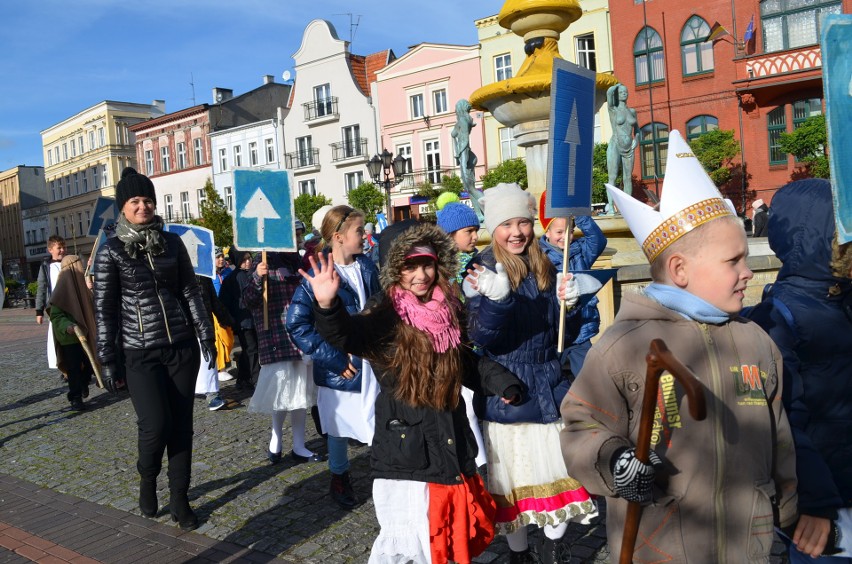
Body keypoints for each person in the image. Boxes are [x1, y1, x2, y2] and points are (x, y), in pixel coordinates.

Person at [560, 131, 798, 562]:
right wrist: (614, 461)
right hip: (662, 544)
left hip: (750, 544)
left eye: (747, 258)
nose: (748, 272)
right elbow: (581, 426)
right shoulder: (623, 346)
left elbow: (778, 433)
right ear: (680, 269)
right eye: (733, 261)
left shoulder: (756, 342)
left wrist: (787, 509)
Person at [302, 220, 523, 564]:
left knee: (445, 534)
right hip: (406, 451)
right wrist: (328, 306)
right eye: (409, 266)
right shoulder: (384, 312)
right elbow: (348, 334)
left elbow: (465, 361)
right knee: (413, 539)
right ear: (394, 269)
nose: (420, 274)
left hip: (449, 438)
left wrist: (502, 382)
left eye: (427, 263)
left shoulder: (448, 307)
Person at [463, 182, 596, 564]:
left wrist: (569, 309)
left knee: (564, 477)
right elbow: (481, 336)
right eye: (507, 224)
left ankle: (552, 549)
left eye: (523, 222)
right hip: (510, 392)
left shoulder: (547, 264)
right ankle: (520, 555)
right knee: (515, 488)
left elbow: (561, 338)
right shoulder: (481, 271)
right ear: (494, 228)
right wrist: (497, 301)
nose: (517, 232)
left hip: (551, 386)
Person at [93, 167, 215, 531]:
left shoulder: (172, 243)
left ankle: (180, 497)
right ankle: (147, 478)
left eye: (147, 200)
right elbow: (105, 309)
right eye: (135, 201)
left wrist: (204, 332)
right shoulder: (111, 250)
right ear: (123, 208)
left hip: (180, 347)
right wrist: (108, 360)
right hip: (138, 351)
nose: (143, 206)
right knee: (155, 426)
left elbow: (191, 290)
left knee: (181, 427)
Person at [746, 179, 852, 561]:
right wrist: (815, 500)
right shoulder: (780, 316)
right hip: (827, 500)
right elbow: (782, 421)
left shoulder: (841, 297)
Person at [287, 205, 381, 510]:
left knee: (380, 423)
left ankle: (386, 475)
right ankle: (339, 477)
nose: (365, 236)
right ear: (338, 237)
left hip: (372, 364)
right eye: (359, 230)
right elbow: (296, 324)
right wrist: (335, 360)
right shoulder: (316, 276)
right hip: (341, 368)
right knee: (339, 428)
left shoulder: (368, 266)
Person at [243, 251, 323, 465]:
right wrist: (257, 276)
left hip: (300, 334)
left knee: (300, 393)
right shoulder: (263, 261)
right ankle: (275, 439)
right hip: (277, 336)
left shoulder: (297, 262)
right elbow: (249, 300)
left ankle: (299, 445)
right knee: (282, 392)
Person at [436, 197, 488, 471]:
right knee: (465, 403)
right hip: (457, 346)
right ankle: (480, 462)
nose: (475, 236)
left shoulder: (480, 260)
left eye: (476, 230)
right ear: (450, 235)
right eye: (468, 231)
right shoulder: (440, 269)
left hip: (480, 343)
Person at [538, 193, 608, 380]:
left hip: (580, 334)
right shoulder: (538, 258)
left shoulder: (580, 251)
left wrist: (578, 213)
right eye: (559, 232)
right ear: (547, 232)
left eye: (570, 230)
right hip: (553, 335)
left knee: (590, 382)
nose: (565, 236)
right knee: (553, 382)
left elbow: (598, 240)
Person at [48, 255, 98, 411]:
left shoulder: (82, 288)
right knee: (74, 368)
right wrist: (68, 326)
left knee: (90, 363)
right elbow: (56, 316)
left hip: (87, 335)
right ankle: (75, 397)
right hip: (70, 338)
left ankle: (84, 383)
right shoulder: (60, 291)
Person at [220, 248, 260, 391]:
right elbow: (224, 302)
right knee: (252, 350)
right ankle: (256, 380)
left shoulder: (253, 274)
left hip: (254, 319)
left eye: (249, 258)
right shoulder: (232, 279)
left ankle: (243, 379)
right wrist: (230, 320)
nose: (248, 261)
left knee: (249, 350)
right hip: (243, 321)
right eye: (244, 259)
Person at [195, 275, 234, 411]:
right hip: (182, 326)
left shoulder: (203, 276)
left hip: (204, 324)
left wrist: (225, 318)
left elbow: (212, 299)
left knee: (209, 359)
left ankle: (212, 393)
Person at [605, 83, 639, 213]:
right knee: (612, 177)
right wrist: (616, 85)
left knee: (627, 178)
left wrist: (636, 139)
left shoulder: (632, 112)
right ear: (617, 95)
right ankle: (611, 209)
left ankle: (627, 209)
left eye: (625, 91)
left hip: (629, 147)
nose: (624, 93)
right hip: (615, 144)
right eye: (621, 92)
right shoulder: (613, 110)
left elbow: (637, 130)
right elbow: (609, 94)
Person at [35, 235, 67, 371]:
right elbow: (41, 288)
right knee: (57, 337)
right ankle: (61, 366)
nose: (62, 250)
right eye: (59, 248)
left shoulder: (69, 262)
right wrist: (39, 311)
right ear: (50, 250)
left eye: (64, 247)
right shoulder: (45, 266)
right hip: (55, 307)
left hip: (71, 305)